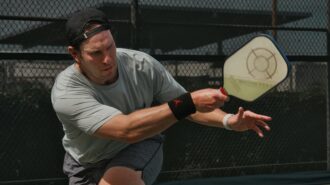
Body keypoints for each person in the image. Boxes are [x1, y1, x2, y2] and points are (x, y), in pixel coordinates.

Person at [51, 7, 272, 185]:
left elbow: (187, 109)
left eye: (110, 47)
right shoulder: (66, 92)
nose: (107, 59)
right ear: (75, 54)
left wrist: (229, 121)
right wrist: (189, 102)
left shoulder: (142, 66)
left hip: (139, 144)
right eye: (96, 53)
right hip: (84, 163)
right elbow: (125, 128)